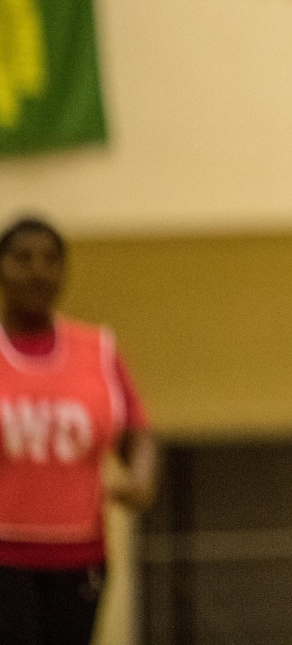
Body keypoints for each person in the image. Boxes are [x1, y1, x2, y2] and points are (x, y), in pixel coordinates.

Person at [0, 216, 156, 645]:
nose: (37, 270)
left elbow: (137, 432)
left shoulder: (98, 350)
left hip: (79, 556)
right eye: (22, 258)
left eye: (51, 259)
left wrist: (141, 478)